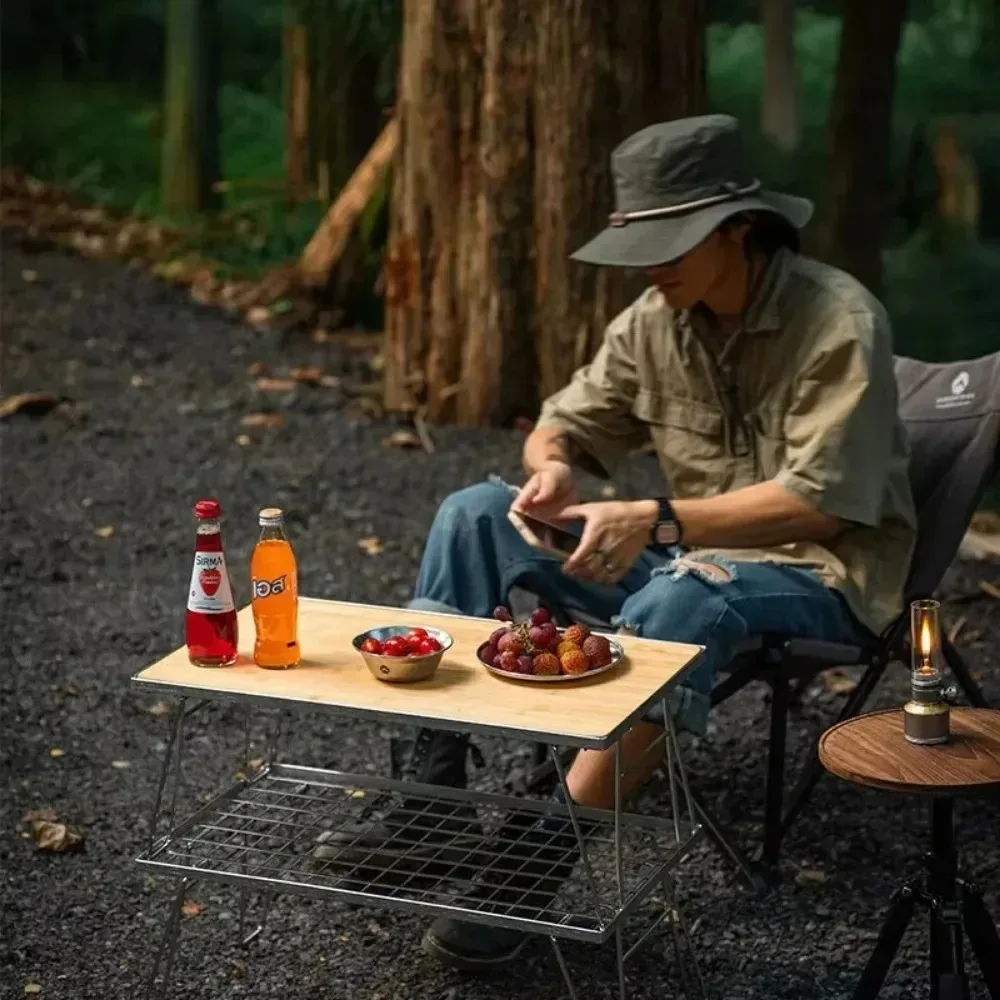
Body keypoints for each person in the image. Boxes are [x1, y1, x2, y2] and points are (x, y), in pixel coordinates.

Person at [316, 114, 918, 971]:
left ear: (738, 230)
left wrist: (655, 518)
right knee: (474, 509)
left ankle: (528, 875)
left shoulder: (839, 320)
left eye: (670, 243)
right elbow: (562, 423)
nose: (649, 265)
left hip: (819, 575)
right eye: (643, 244)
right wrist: (554, 466)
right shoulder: (653, 320)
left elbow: (821, 506)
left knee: (686, 590)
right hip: (676, 553)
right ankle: (430, 804)